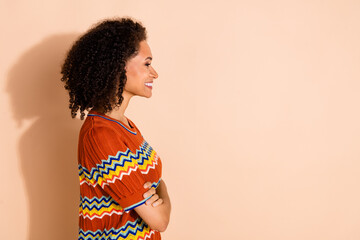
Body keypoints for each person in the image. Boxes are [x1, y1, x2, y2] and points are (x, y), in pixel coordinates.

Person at [61, 17, 171, 240]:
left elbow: (155, 183)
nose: (154, 73)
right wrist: (164, 195)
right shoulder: (100, 134)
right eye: (147, 64)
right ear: (118, 67)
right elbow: (159, 220)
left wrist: (158, 190)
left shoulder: (125, 125)